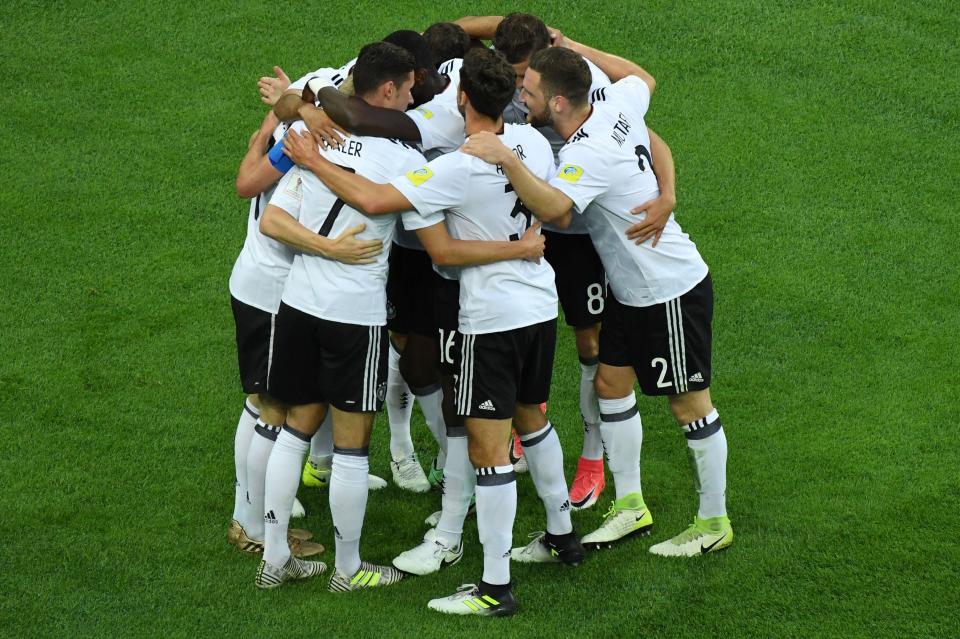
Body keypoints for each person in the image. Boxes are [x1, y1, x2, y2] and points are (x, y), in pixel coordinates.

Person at [284, 48, 585, 617]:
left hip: (490, 320)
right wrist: (522, 247)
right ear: (512, 100)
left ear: (463, 98)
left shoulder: (454, 167)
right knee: (532, 418)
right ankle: (562, 536)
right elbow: (556, 211)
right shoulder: (537, 146)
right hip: (539, 307)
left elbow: (386, 209)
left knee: (489, 450)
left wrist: (316, 161)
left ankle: (495, 587)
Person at [462, 45, 733, 556]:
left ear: (560, 103)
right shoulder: (614, 103)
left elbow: (557, 209)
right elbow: (644, 81)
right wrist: (574, 49)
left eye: (531, 91)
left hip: (666, 288)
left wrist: (505, 158)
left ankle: (713, 519)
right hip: (631, 289)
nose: (522, 97)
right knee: (610, 384)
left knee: (689, 403)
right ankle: (631, 504)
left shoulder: (587, 153)